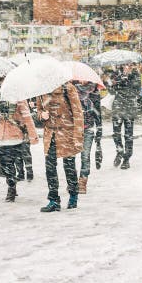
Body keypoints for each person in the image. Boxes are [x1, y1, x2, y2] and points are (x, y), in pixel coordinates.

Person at [36, 82, 84, 212]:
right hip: (50, 135)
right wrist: (41, 115)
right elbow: (38, 110)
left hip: (66, 134)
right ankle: (54, 201)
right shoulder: (41, 90)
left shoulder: (68, 88)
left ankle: (73, 195)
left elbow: (78, 113)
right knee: (50, 168)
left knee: (69, 167)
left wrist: (78, 136)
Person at [0, 78, 38, 202]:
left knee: (10, 165)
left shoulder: (18, 99)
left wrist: (33, 136)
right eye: (0, 85)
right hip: (0, 138)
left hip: (15, 137)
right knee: (6, 166)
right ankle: (12, 184)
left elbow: (27, 118)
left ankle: (11, 188)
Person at [109, 63, 141, 169]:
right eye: (125, 64)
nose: (127, 66)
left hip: (129, 108)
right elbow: (111, 91)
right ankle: (119, 151)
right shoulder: (116, 74)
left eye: (130, 64)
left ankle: (126, 159)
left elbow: (136, 91)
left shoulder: (136, 75)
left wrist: (126, 79)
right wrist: (116, 82)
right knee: (116, 133)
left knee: (128, 135)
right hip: (117, 108)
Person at [73, 80, 102, 194]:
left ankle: (82, 183)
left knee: (85, 157)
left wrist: (99, 132)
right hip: (74, 129)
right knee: (71, 157)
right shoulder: (72, 91)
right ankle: (73, 182)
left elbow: (98, 114)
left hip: (88, 129)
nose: (82, 80)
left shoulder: (94, 93)